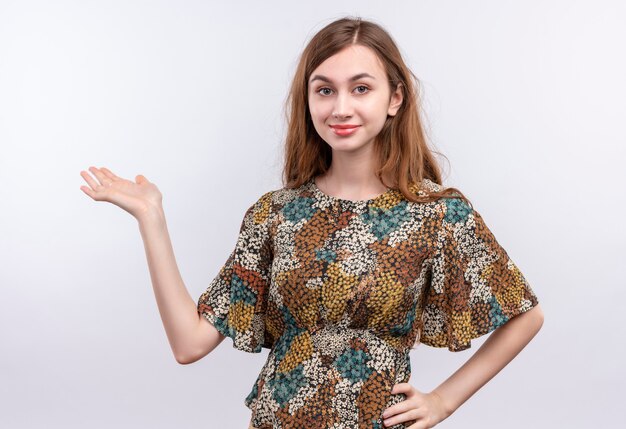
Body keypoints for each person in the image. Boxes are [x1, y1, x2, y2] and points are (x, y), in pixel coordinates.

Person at [79, 16, 544, 429]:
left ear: (395, 98)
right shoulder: (276, 213)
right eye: (325, 90)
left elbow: (526, 316)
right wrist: (151, 217)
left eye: (361, 88)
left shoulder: (437, 213)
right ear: (308, 100)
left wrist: (443, 401)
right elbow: (189, 343)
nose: (340, 108)